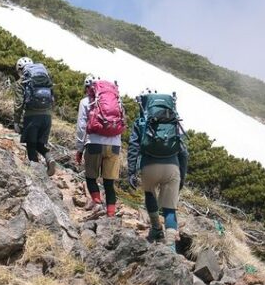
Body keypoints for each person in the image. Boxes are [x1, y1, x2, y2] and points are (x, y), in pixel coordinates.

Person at [127, 90, 189, 253]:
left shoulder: (142, 121)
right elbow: (184, 152)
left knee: (149, 194)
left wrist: (131, 171)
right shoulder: (175, 122)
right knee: (170, 208)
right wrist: (181, 175)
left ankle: (156, 228)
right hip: (172, 167)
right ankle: (170, 246)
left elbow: (134, 147)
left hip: (149, 166)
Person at [75, 74, 126, 218]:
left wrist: (79, 149)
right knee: (109, 184)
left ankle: (97, 205)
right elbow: (120, 124)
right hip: (114, 146)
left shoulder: (85, 102)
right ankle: (110, 216)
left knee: (91, 178)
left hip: (94, 144)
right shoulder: (118, 101)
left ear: (88, 87)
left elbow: (81, 127)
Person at [14, 56, 57, 176]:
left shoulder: (21, 81)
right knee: (40, 144)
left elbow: (18, 104)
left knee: (31, 145)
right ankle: (49, 158)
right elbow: (52, 99)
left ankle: (37, 175)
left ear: (20, 69)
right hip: (47, 117)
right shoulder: (45, 78)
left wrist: (16, 122)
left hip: (32, 116)